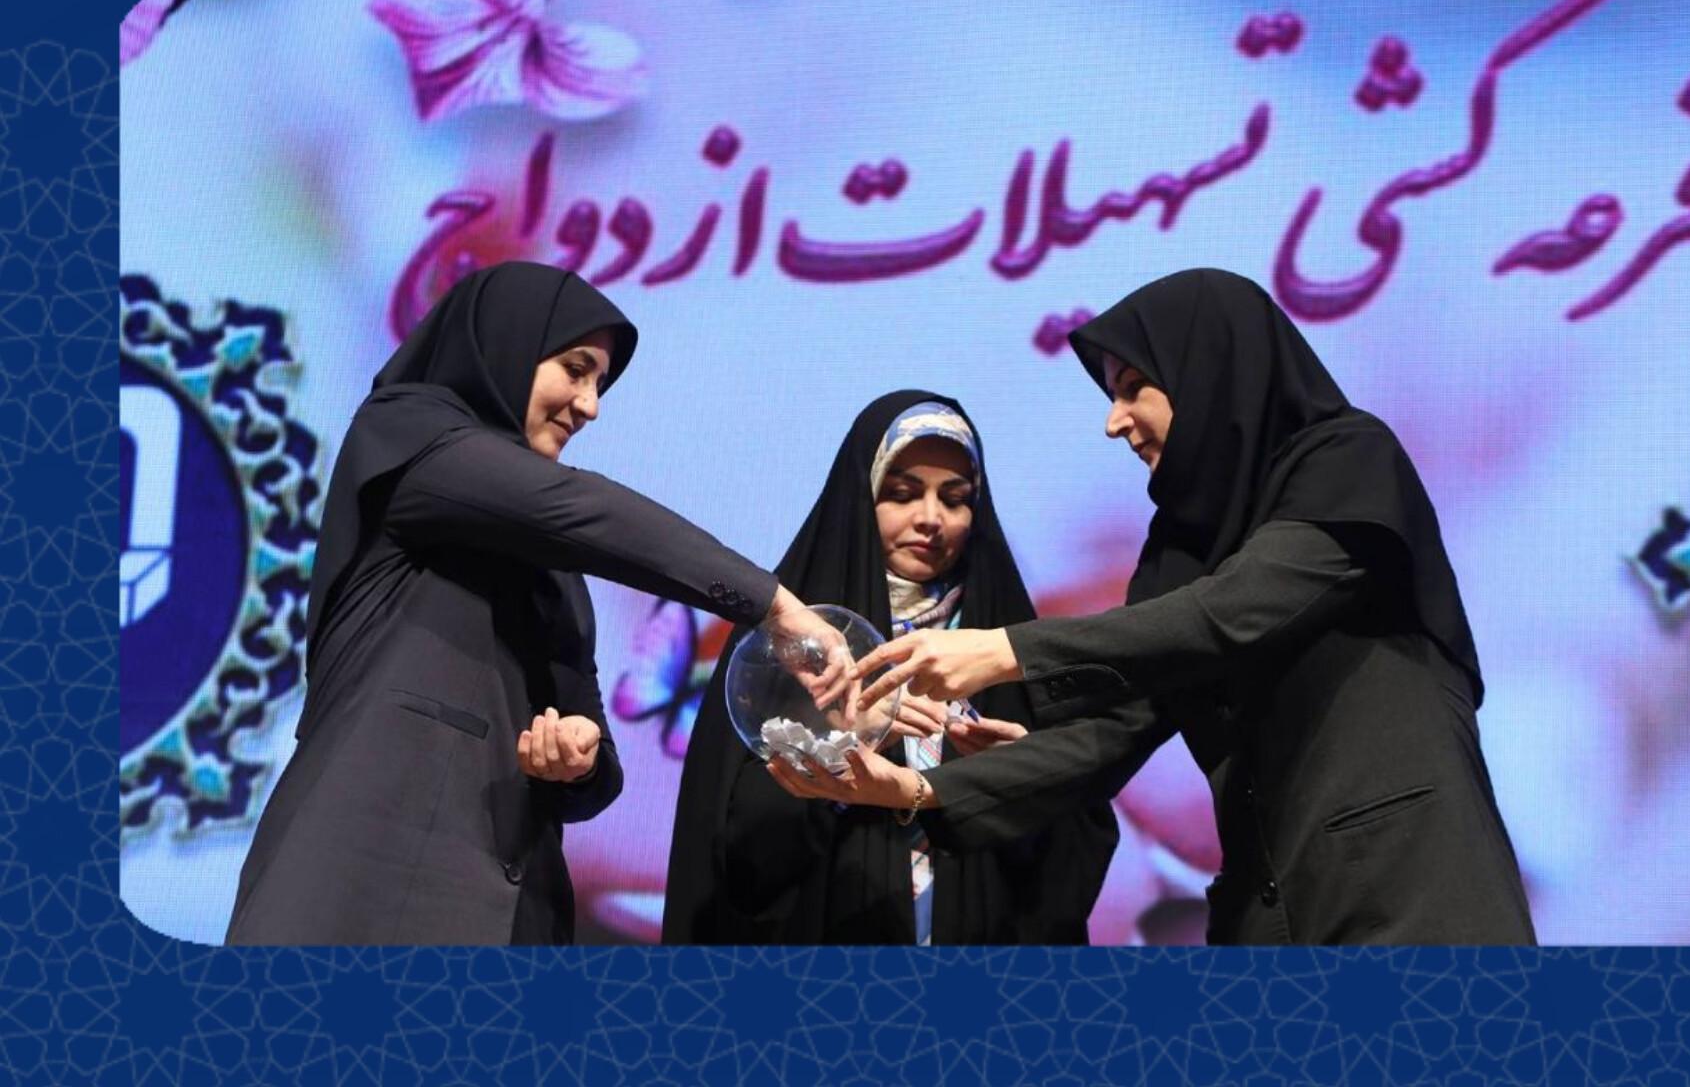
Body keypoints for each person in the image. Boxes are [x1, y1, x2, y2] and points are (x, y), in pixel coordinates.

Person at [783, 269, 1537, 946]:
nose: (1114, 421)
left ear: (1209, 372)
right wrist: (914, 790)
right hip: (1270, 922)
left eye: (1133, 386)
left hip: (1410, 901)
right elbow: (1112, 731)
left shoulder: (1348, 459)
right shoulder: (1178, 553)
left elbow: (1237, 611)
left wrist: (1005, 650)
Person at [225, 262, 825, 945]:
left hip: (509, 919)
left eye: (599, 384)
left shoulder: (554, 570)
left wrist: (579, 760)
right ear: (508, 342)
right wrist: (770, 602)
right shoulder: (407, 437)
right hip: (359, 896)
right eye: (575, 369)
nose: (590, 405)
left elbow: (590, 750)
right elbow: (580, 510)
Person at [663, 391, 1118, 944]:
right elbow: (732, 846)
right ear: (860, 499)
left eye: (955, 499)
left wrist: (1017, 779)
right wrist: (838, 743)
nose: (930, 518)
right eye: (901, 494)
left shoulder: (1005, 642)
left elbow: (1075, 851)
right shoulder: (784, 645)